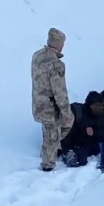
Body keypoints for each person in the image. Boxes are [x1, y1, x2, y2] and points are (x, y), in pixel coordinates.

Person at [31, 27, 74, 172]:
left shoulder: (37, 56)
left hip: (38, 102)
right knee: (55, 132)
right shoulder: (56, 64)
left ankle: (50, 149)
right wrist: (66, 112)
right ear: (59, 44)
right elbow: (60, 92)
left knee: (48, 131)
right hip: (50, 105)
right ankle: (47, 164)